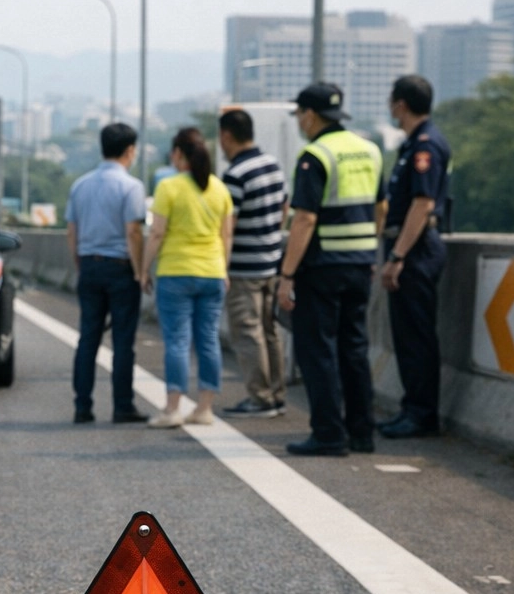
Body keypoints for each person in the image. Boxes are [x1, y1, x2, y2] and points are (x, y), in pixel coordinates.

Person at [275, 83, 385, 456]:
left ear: (309, 114)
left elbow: (304, 218)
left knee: (318, 350)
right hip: (360, 263)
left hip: (321, 268)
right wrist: (366, 247)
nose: (299, 122)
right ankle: (362, 432)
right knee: (354, 348)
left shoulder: (315, 155)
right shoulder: (370, 150)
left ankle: (328, 434)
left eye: (299, 115)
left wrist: (287, 274)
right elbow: (380, 208)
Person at [140, 127, 234, 428]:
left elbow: (156, 233)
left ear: (179, 154)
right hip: (212, 272)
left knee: (178, 341)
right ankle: (204, 409)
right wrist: (224, 269)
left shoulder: (169, 187)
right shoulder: (219, 189)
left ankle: (172, 409)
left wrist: (143, 269)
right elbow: (226, 235)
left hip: (176, 272)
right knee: (208, 340)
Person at [379, 74, 452, 439]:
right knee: (407, 337)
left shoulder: (425, 146)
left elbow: (422, 204)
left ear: (401, 104)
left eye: (392, 102)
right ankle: (412, 408)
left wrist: (397, 256)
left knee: (418, 336)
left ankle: (422, 414)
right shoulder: (414, 145)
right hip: (412, 248)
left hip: (417, 250)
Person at [65, 123, 149, 424]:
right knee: (123, 341)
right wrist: (140, 272)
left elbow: (71, 232)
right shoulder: (131, 187)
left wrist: (80, 263)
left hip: (88, 265)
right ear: (129, 151)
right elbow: (133, 232)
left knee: (88, 338)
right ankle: (122, 405)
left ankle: (82, 406)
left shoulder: (80, 185)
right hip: (120, 268)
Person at [217, 109, 289, 417]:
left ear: (226, 136)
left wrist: (222, 265)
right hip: (271, 263)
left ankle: (259, 398)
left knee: (247, 332)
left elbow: (227, 227)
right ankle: (276, 392)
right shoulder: (272, 165)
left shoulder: (235, 175)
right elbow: (285, 206)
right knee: (269, 331)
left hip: (244, 268)